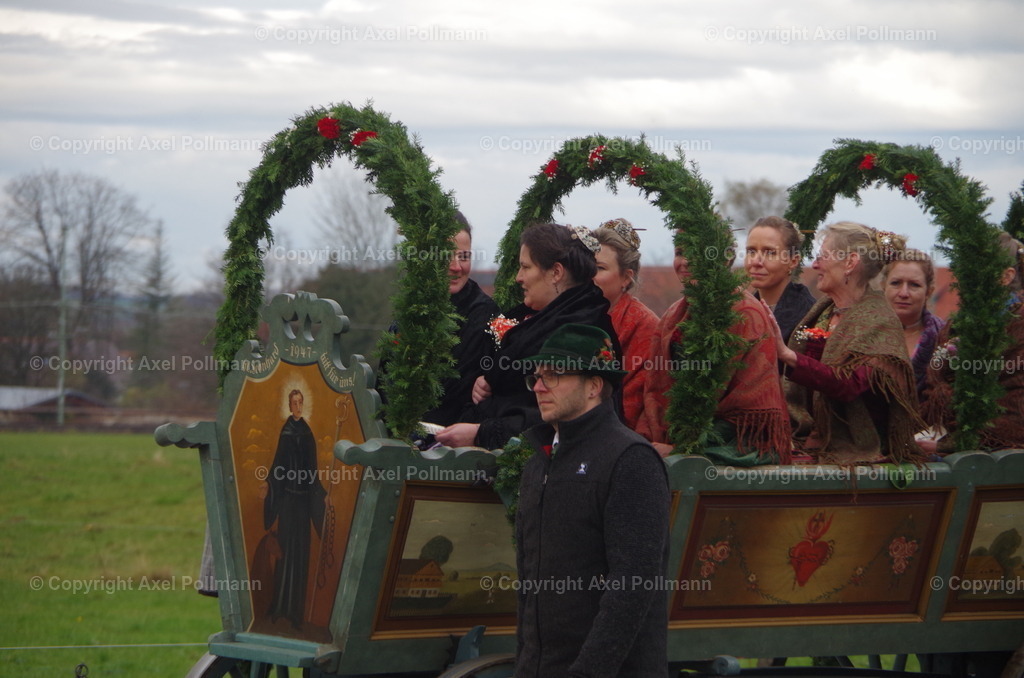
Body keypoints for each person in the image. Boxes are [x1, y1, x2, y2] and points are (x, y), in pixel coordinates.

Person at [515, 324, 669, 678]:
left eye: (554, 374)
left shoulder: (631, 460)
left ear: (594, 385)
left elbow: (632, 587)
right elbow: (528, 585)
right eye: (536, 376)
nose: (539, 386)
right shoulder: (539, 459)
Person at [436, 223, 621, 450]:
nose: (518, 277)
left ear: (556, 272)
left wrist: (481, 433)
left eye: (525, 267)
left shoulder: (581, 332)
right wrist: (485, 378)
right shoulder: (542, 319)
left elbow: (557, 416)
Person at [772, 222, 924, 463]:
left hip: (859, 452)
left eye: (822, 256)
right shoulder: (822, 312)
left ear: (850, 263)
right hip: (810, 442)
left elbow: (849, 385)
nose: (815, 265)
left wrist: (788, 355)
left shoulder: (878, 320)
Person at [637, 242, 791, 464]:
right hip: (676, 435)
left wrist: (682, 449)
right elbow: (656, 388)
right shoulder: (673, 315)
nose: (685, 262)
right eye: (680, 253)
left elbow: (741, 407)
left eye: (697, 252)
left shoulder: (744, 312)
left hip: (737, 442)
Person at [922, 231, 1024, 452]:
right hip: (954, 446)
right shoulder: (956, 323)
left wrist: (949, 445)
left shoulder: (1019, 324)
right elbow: (934, 381)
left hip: (1008, 461)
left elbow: (1014, 410)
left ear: (1006, 276)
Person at [263, 389, 326, 629]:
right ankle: (280, 607)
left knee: (301, 554)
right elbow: (277, 465)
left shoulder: (308, 433)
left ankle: (296, 612)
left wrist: (323, 495)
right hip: (288, 501)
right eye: (294, 403)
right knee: (286, 552)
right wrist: (268, 484)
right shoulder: (286, 432)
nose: (298, 406)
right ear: (289, 406)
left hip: (303, 503)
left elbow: (313, 471)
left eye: (301, 402)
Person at [592, 218, 659, 431]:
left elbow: (635, 406)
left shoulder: (645, 326)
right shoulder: (572, 315)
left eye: (600, 268)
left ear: (626, 278)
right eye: (585, 266)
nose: (589, 276)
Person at [881, 249, 945, 399]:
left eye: (914, 285)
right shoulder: (862, 333)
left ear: (929, 291)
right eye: (896, 283)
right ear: (883, 286)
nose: (904, 293)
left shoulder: (944, 337)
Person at [744, 216, 816, 344]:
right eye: (751, 251)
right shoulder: (741, 312)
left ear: (792, 261)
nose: (755, 261)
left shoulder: (810, 317)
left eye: (770, 252)